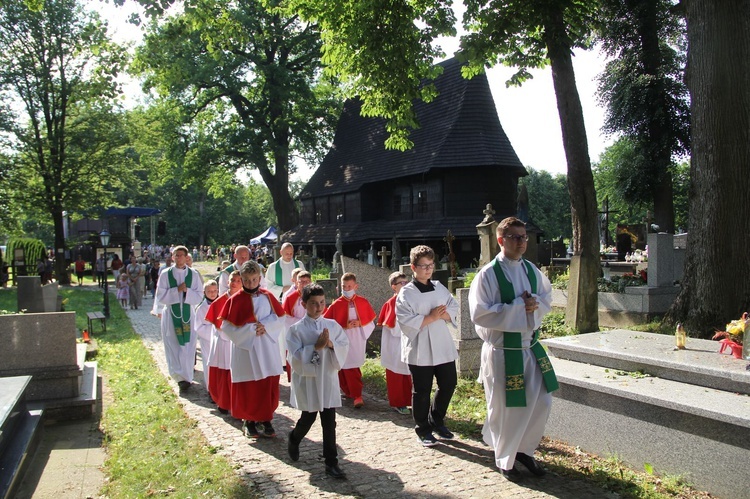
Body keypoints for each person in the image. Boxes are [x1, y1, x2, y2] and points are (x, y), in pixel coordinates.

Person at [468, 217, 559, 481]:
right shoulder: (487, 275)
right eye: (516, 237)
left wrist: (535, 305)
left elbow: (546, 298)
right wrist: (521, 308)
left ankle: (524, 450)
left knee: (542, 401)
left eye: (524, 237)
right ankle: (504, 458)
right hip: (502, 351)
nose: (522, 242)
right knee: (506, 407)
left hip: (528, 347)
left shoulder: (532, 270)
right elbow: (480, 314)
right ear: (501, 240)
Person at [396, 245, 459, 447]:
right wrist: (431, 317)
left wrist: (444, 315)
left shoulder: (439, 287)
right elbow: (405, 321)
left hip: (441, 344)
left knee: (449, 383)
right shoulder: (406, 293)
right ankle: (422, 429)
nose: (428, 269)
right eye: (423, 266)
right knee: (422, 390)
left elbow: (454, 308)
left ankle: (437, 420)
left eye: (431, 265)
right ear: (413, 267)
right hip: (420, 346)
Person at [286, 283, 349, 479]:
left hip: (327, 378)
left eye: (322, 302)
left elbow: (343, 346)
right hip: (309, 381)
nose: (319, 307)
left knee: (329, 422)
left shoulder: (331, 325)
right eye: (313, 303)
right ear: (304, 304)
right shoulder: (296, 330)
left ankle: (332, 462)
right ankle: (294, 438)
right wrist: (315, 347)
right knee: (309, 418)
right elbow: (295, 359)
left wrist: (330, 344)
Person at [218, 261, 286, 438]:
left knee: (267, 383)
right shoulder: (235, 300)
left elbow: (280, 318)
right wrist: (249, 330)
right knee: (249, 386)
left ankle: (266, 419)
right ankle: (249, 422)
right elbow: (225, 326)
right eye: (247, 280)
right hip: (246, 349)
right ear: (242, 279)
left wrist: (267, 326)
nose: (250, 283)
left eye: (254, 279)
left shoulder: (268, 297)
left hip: (266, 347)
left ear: (260, 278)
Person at [323, 272, 376, 408]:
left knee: (352, 366)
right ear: (339, 287)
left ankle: (357, 394)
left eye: (349, 286)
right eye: (344, 286)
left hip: (357, 337)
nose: (346, 289)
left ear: (355, 286)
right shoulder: (336, 304)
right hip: (342, 338)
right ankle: (348, 391)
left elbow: (370, 322)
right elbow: (328, 323)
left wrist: (360, 323)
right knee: (342, 365)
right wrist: (344, 325)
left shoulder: (362, 301)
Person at [156, 246, 204, 392]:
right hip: (171, 314)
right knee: (173, 343)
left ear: (186, 257)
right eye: (176, 255)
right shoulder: (165, 274)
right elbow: (160, 296)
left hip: (188, 314)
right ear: (172, 257)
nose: (179, 258)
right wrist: (176, 290)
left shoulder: (194, 274)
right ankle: (178, 377)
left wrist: (186, 291)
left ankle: (188, 376)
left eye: (181, 255)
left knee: (188, 345)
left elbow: (199, 295)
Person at [204, 270, 242, 414]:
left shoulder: (246, 300)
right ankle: (223, 402)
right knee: (222, 375)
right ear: (227, 282)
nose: (235, 284)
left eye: (239, 281)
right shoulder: (219, 302)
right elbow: (219, 326)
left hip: (239, 343)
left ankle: (237, 403)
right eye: (233, 280)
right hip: (223, 343)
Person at [377, 271, 413, 415]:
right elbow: (394, 330)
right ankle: (398, 403)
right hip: (395, 345)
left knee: (408, 374)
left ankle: (410, 401)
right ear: (394, 287)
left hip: (409, 343)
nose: (405, 285)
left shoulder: (410, 300)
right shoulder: (391, 303)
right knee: (396, 376)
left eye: (406, 282)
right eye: (401, 283)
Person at [281, 270, 313, 381]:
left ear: (311, 282)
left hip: (311, 332)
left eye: (307, 281)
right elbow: (285, 317)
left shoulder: (315, 296)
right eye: (301, 282)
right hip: (296, 332)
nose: (304, 284)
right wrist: (301, 323)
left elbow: (322, 312)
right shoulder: (290, 298)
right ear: (296, 283)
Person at [193, 279, 219, 390]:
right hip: (208, 341)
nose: (212, 293)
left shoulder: (222, 304)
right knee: (209, 365)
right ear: (204, 292)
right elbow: (198, 327)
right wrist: (213, 331)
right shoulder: (201, 308)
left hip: (222, 339)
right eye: (209, 291)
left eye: (214, 291)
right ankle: (211, 390)